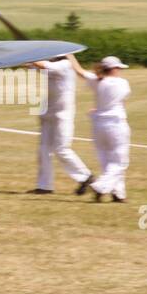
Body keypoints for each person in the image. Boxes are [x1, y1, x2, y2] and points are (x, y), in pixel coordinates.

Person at [67, 54, 132, 202]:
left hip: (98, 125)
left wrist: (70, 56)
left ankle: (118, 194)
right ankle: (100, 186)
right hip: (116, 124)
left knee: (106, 161)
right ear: (114, 69)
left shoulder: (97, 80)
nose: (120, 71)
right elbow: (121, 101)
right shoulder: (122, 83)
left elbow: (79, 71)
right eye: (119, 68)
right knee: (120, 162)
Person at [28, 56, 93, 195]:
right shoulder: (50, 64)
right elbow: (33, 66)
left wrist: (30, 56)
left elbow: (43, 65)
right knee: (44, 150)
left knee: (61, 149)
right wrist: (24, 59)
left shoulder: (65, 64)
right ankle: (44, 186)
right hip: (47, 113)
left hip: (63, 114)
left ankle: (86, 176)